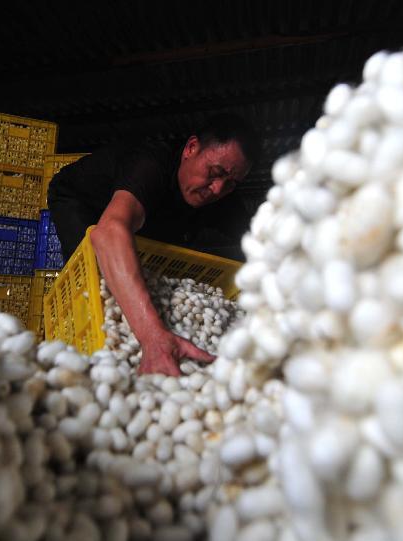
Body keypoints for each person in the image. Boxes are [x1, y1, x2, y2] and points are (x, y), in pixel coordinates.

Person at [46, 113, 261, 376]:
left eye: (230, 183)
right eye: (215, 173)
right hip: (83, 202)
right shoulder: (149, 164)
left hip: (145, 213)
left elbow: (259, 247)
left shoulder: (223, 197)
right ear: (191, 148)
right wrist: (153, 337)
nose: (217, 189)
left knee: (144, 267)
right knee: (97, 277)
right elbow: (109, 232)